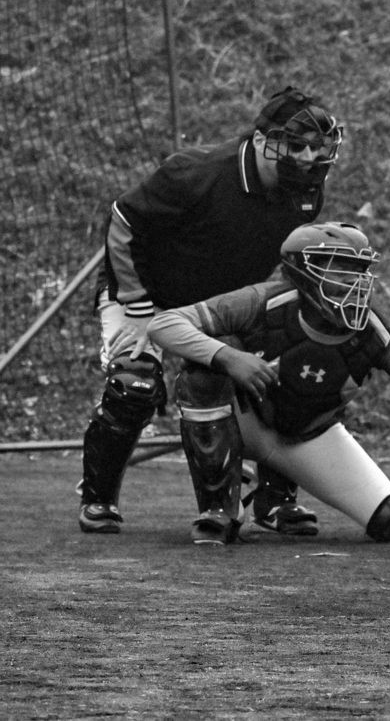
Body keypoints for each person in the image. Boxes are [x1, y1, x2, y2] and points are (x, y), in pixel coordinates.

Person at [77, 86, 341, 536]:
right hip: (145, 294)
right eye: (295, 146)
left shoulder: (307, 191)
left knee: (297, 363)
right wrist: (141, 312)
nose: (307, 157)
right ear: (261, 142)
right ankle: (98, 499)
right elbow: (123, 220)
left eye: (317, 148)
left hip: (218, 305)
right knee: (134, 382)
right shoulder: (196, 172)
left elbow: (285, 264)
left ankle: (275, 501)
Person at [145, 221, 390, 545]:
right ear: (302, 271)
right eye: (340, 270)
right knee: (201, 377)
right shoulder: (262, 302)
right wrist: (228, 356)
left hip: (305, 435)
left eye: (359, 270)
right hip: (242, 419)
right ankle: (219, 511)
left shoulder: (369, 327)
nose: (354, 281)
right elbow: (164, 325)